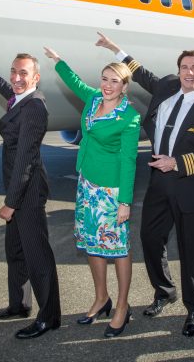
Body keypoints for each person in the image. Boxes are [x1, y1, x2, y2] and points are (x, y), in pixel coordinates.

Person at [96, 32, 194, 337]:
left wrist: (176, 162)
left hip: (188, 185)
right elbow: (140, 72)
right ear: (178, 71)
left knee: (191, 250)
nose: (189, 73)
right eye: (184, 67)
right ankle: (164, 291)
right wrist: (115, 48)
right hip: (159, 184)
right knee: (151, 239)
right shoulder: (167, 88)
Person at [43, 47, 141, 338]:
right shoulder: (94, 98)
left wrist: (124, 202)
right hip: (87, 184)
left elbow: (129, 161)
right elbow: (74, 82)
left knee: (118, 248)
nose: (107, 85)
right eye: (104, 79)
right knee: (91, 243)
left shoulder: (129, 117)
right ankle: (101, 298)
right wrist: (58, 61)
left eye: (114, 81)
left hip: (111, 191)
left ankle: (122, 306)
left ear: (125, 86)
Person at [0, 51, 62, 340]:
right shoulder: (20, 98)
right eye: (13, 71)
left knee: (37, 256)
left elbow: (26, 158)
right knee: (15, 250)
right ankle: (19, 304)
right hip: (17, 188)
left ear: (36, 78)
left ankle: (49, 317)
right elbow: (8, 88)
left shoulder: (34, 108)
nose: (16, 77)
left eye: (23, 73)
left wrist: (10, 204)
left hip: (27, 192)